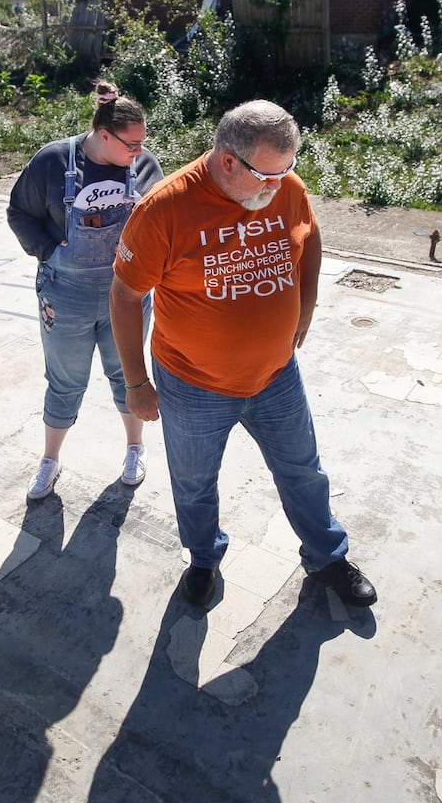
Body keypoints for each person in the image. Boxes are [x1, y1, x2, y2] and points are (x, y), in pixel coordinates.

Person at [109, 99, 377, 609]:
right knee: (194, 483)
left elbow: (309, 236)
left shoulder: (286, 188)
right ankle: (204, 559)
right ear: (228, 160)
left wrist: (307, 302)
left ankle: (327, 557)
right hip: (193, 385)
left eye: (286, 172)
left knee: (304, 471)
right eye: (266, 176)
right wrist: (137, 383)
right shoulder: (164, 210)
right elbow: (124, 295)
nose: (277, 187)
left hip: (277, 376)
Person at [7, 82, 163, 501]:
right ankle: (49, 460)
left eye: (142, 143)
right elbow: (18, 211)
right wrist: (46, 250)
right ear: (104, 135)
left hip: (127, 295)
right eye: (131, 144)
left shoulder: (145, 165)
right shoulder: (54, 160)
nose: (139, 152)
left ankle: (135, 449)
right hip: (66, 293)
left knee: (128, 375)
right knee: (65, 381)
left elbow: (161, 223)